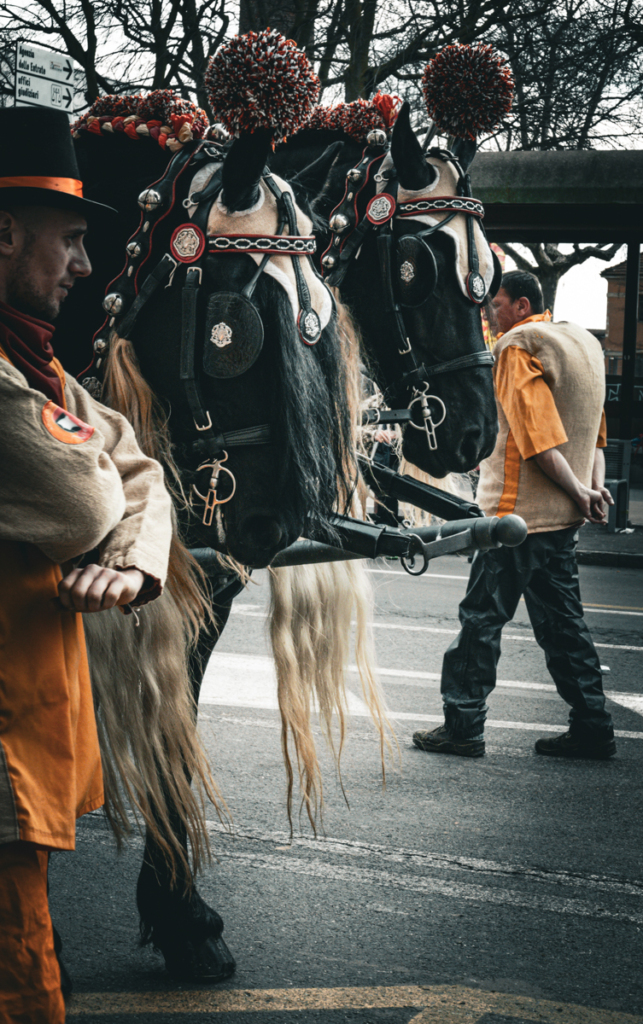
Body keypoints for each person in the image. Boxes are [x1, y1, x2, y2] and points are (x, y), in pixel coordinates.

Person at [0, 107, 173, 1023]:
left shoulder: (38, 372)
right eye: (68, 240)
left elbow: (138, 464)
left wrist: (132, 559)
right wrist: (122, 525)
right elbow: (90, 497)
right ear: (3, 233)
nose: (83, 267)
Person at [413, 270, 616, 761]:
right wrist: (590, 491)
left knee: (481, 620)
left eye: (495, 304)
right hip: (562, 520)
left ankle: (462, 726)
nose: (488, 313)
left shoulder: (517, 346)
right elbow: (595, 435)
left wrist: (576, 489)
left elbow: (537, 438)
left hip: (514, 518)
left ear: (521, 306)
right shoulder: (582, 343)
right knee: (564, 625)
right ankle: (592, 725)